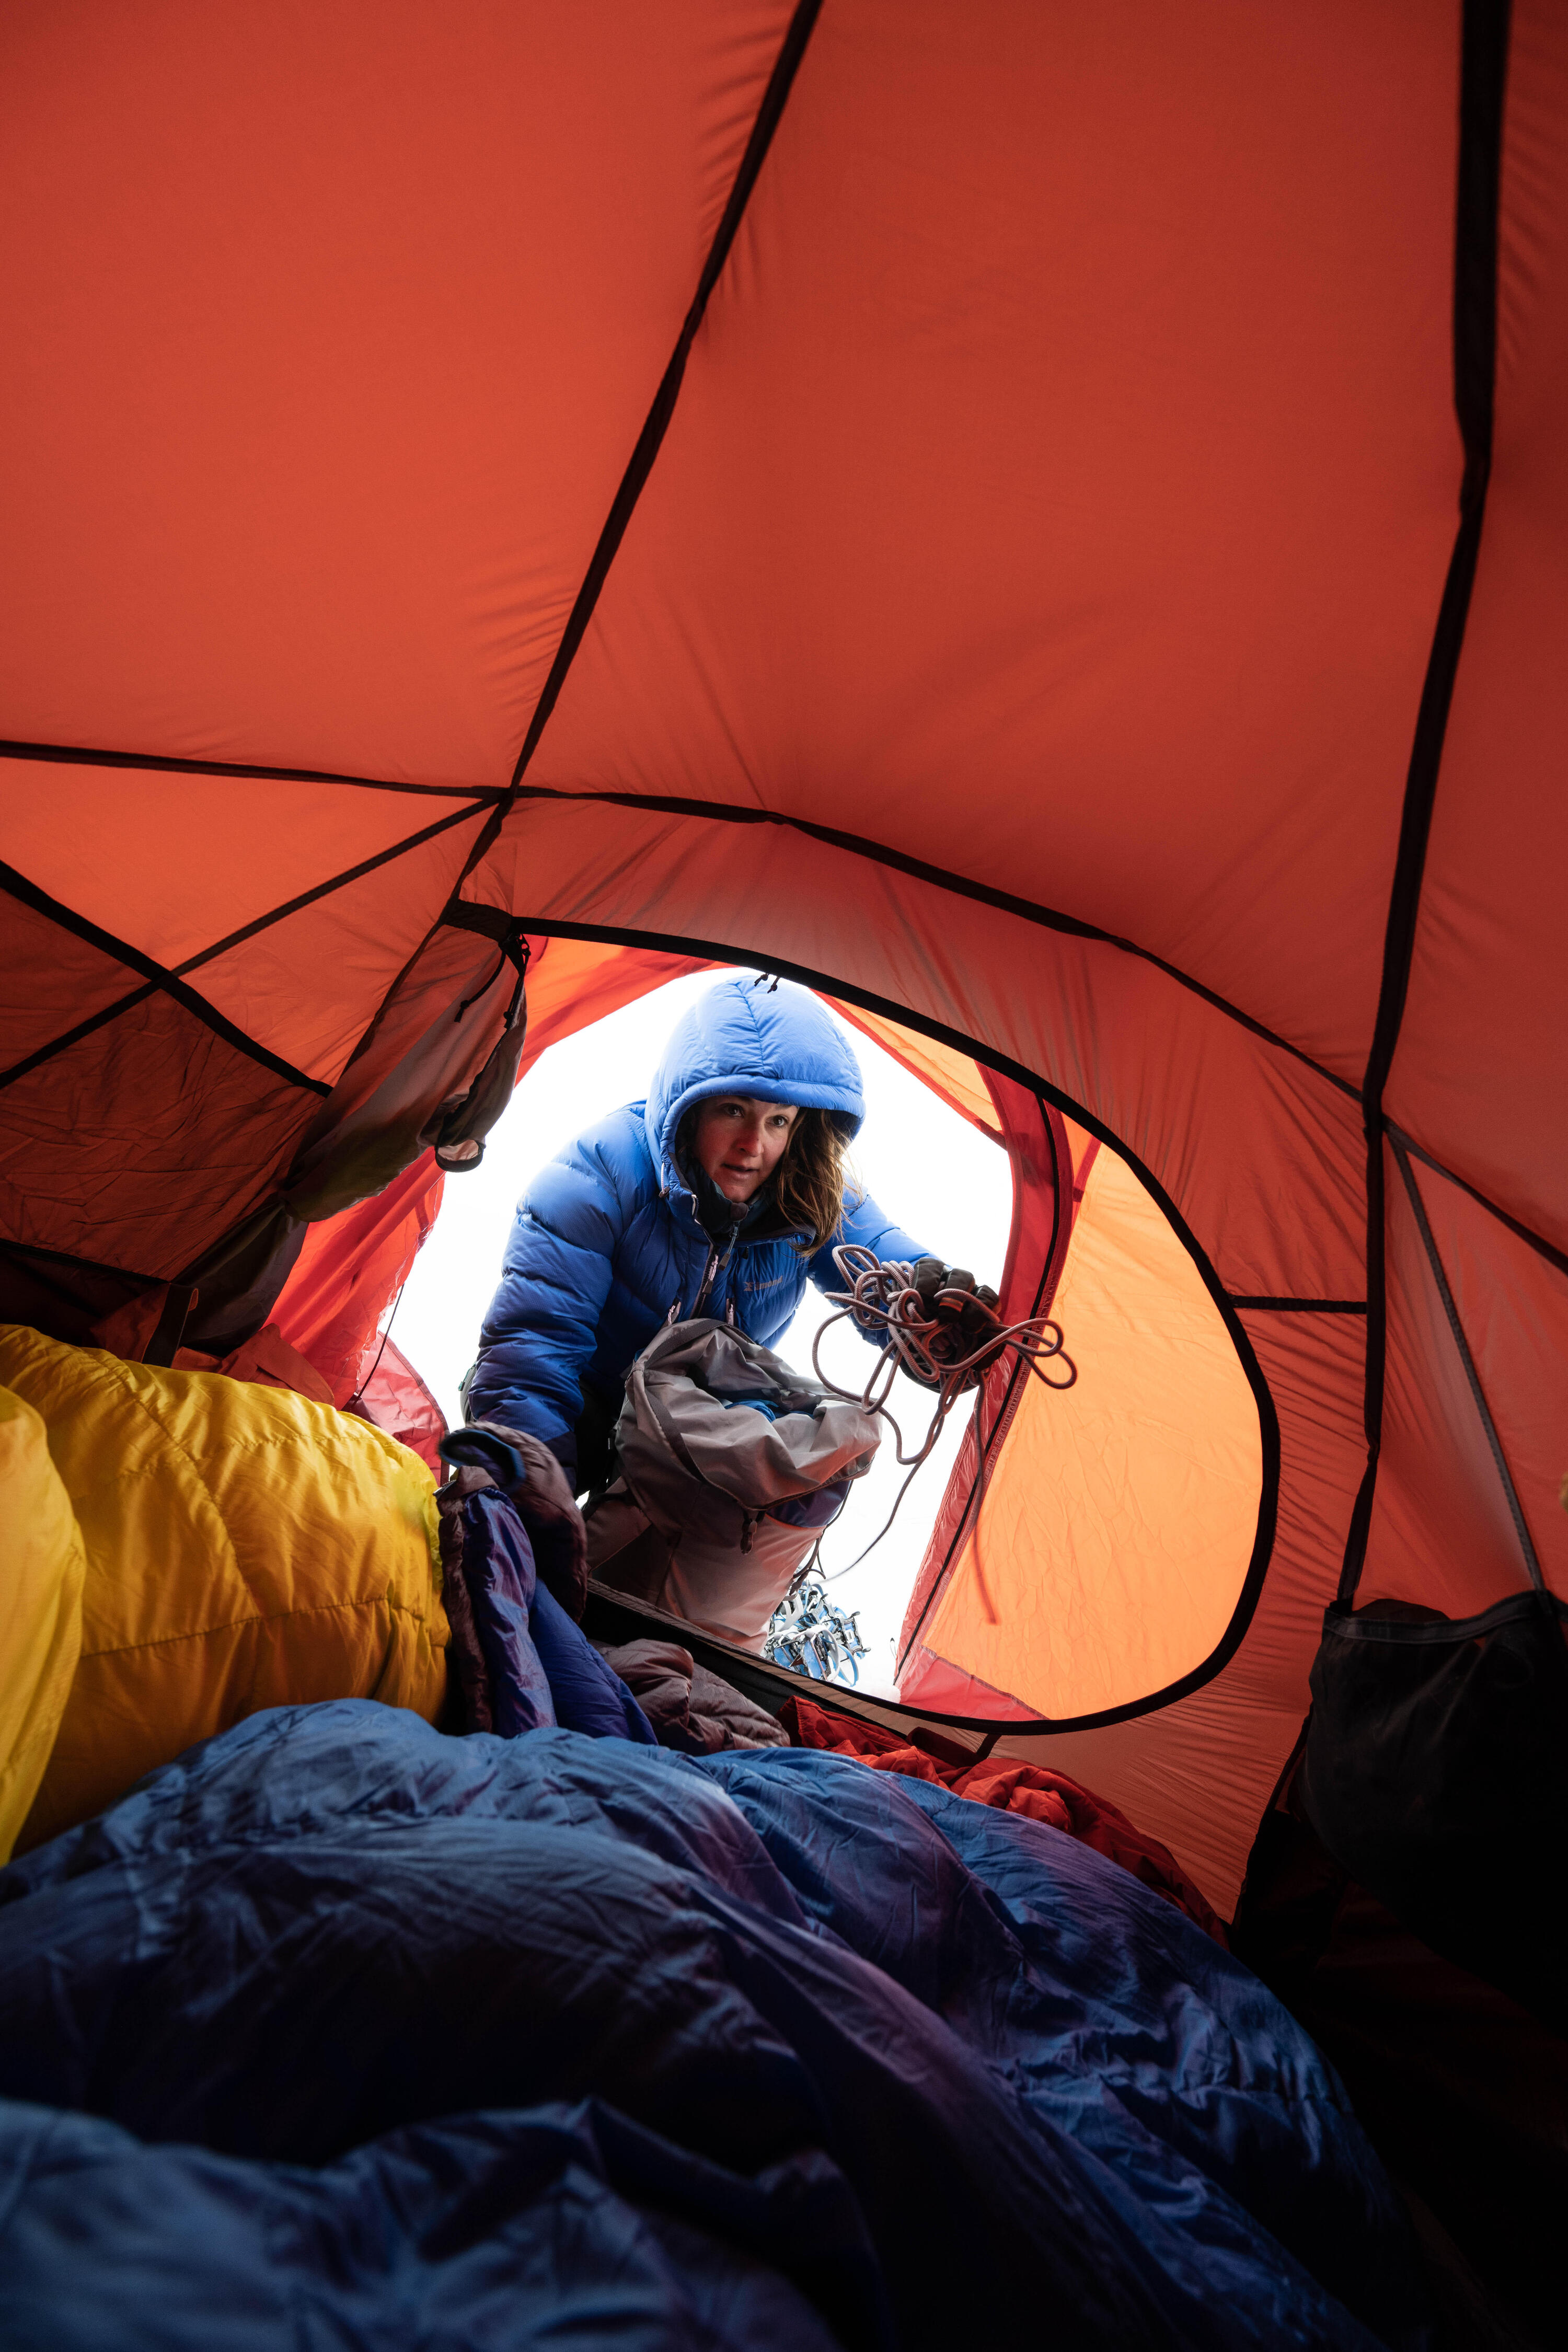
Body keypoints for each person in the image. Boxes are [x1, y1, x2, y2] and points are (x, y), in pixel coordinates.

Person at [467, 974, 999, 1493]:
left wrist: (931, 1327)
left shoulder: (806, 1189)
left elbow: (878, 1257)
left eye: (778, 1122)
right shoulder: (597, 1175)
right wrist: (535, 1499)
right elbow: (532, 1347)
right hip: (578, 1398)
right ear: (691, 1111)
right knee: (511, 1510)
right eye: (733, 1110)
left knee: (769, 1479)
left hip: (696, 1420)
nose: (753, 1144)